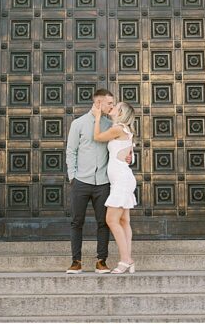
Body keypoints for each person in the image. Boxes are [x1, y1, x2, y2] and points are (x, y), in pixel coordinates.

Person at [64, 88, 133, 274]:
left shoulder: (111, 124)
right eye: (109, 103)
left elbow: (123, 144)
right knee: (76, 221)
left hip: (103, 182)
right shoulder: (78, 124)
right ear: (98, 103)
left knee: (103, 222)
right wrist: (73, 176)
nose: (112, 106)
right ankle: (76, 261)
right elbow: (71, 151)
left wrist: (130, 158)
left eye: (113, 104)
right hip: (81, 181)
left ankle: (101, 261)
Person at [93, 100, 138, 274]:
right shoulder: (125, 129)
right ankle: (129, 259)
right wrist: (130, 158)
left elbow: (97, 137)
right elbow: (128, 154)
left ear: (120, 113)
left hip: (121, 179)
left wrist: (97, 118)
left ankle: (125, 259)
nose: (112, 107)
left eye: (116, 107)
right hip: (122, 178)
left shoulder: (118, 128)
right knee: (124, 221)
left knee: (111, 220)